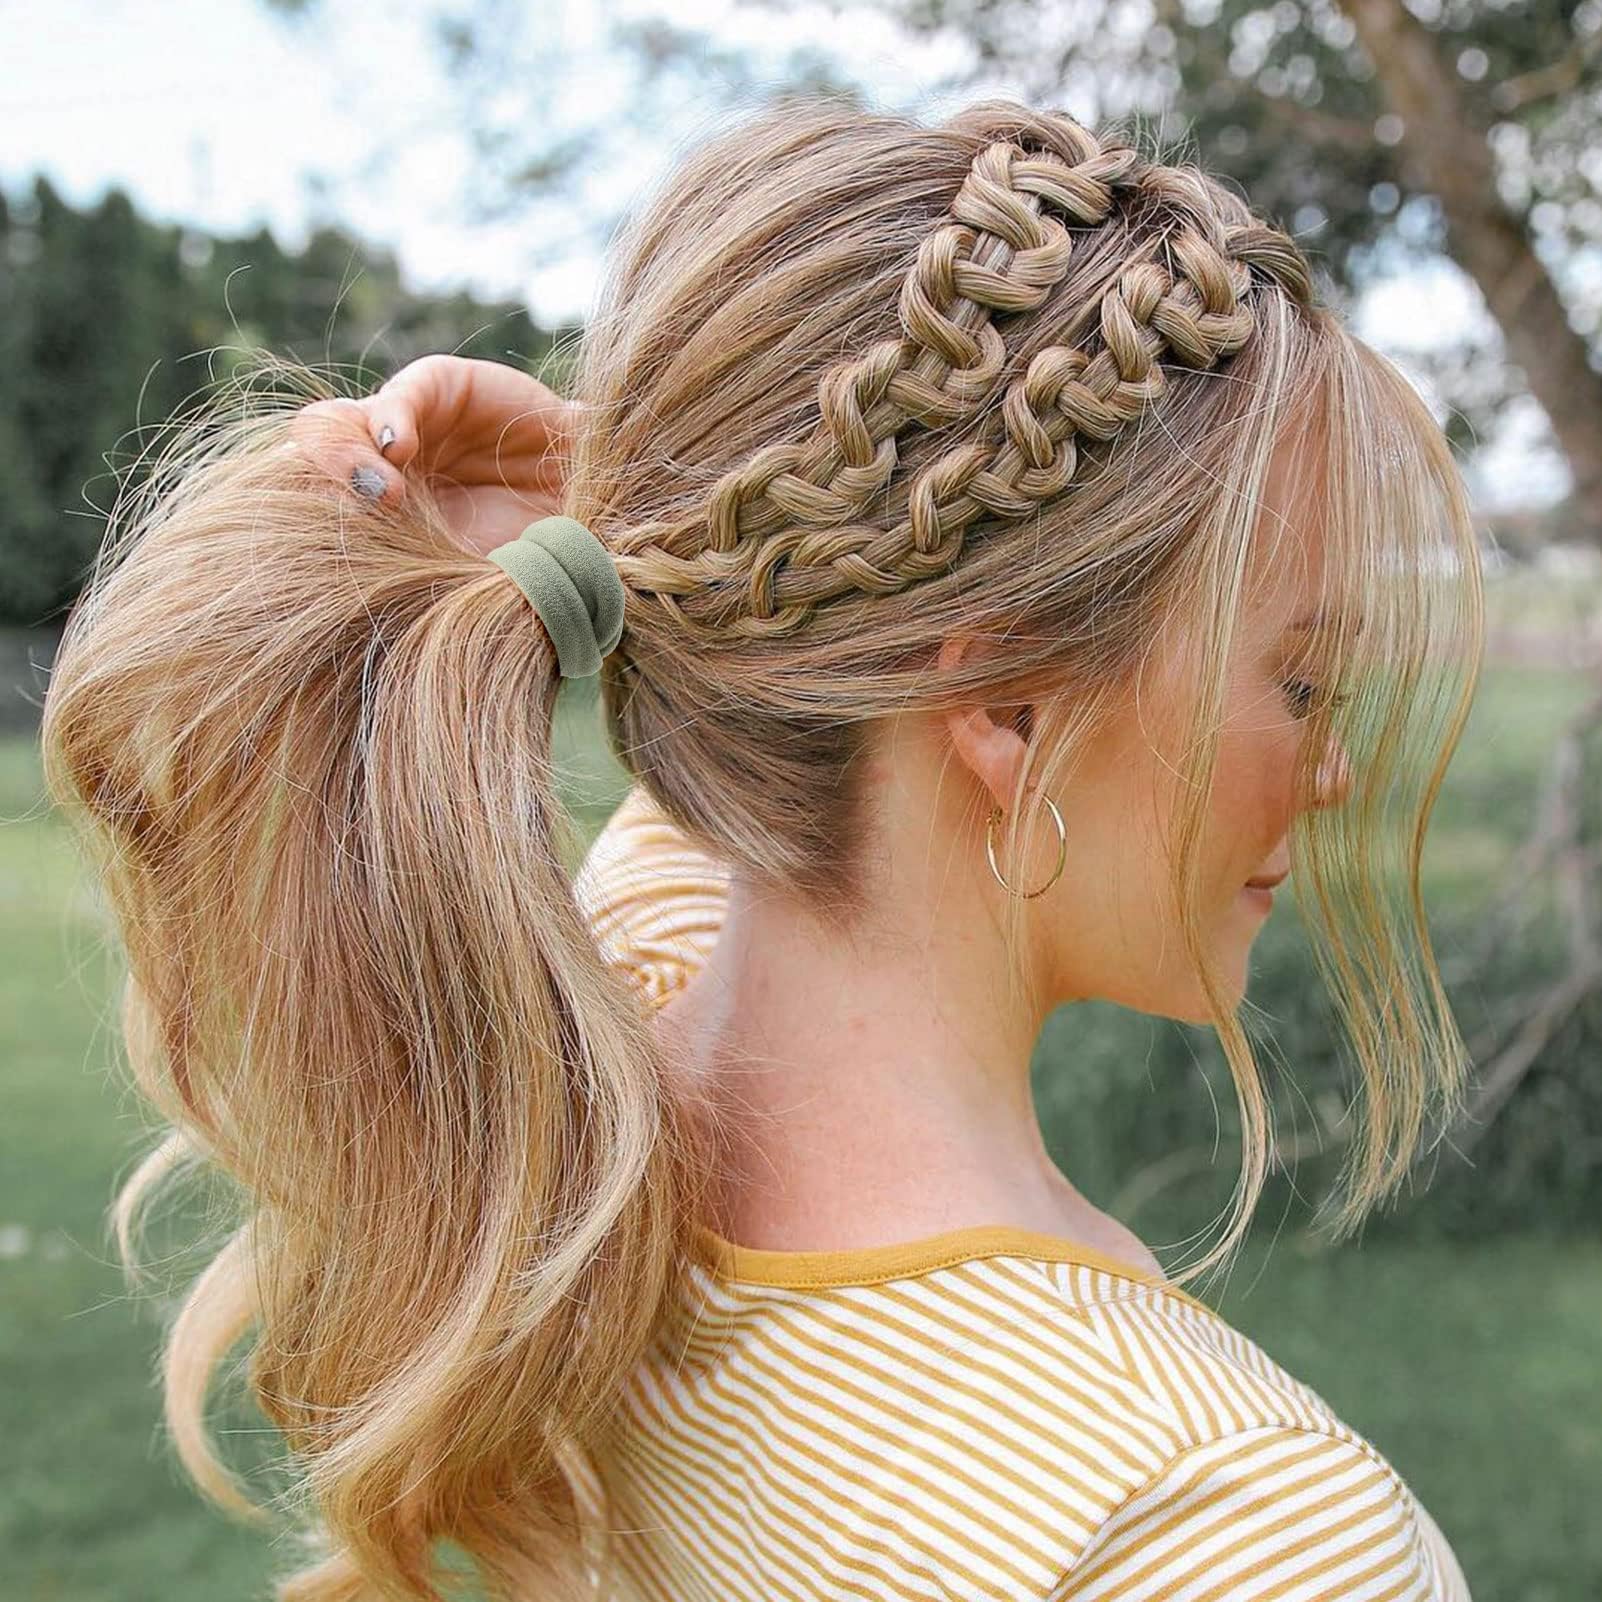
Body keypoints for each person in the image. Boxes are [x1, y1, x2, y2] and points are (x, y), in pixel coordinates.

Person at [40, 97, 1482, 1600]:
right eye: (1298, 680)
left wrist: (686, 523)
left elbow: (788, 691)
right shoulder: (1220, 1527)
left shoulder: (611, 1084)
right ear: (1000, 703)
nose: (1326, 767)